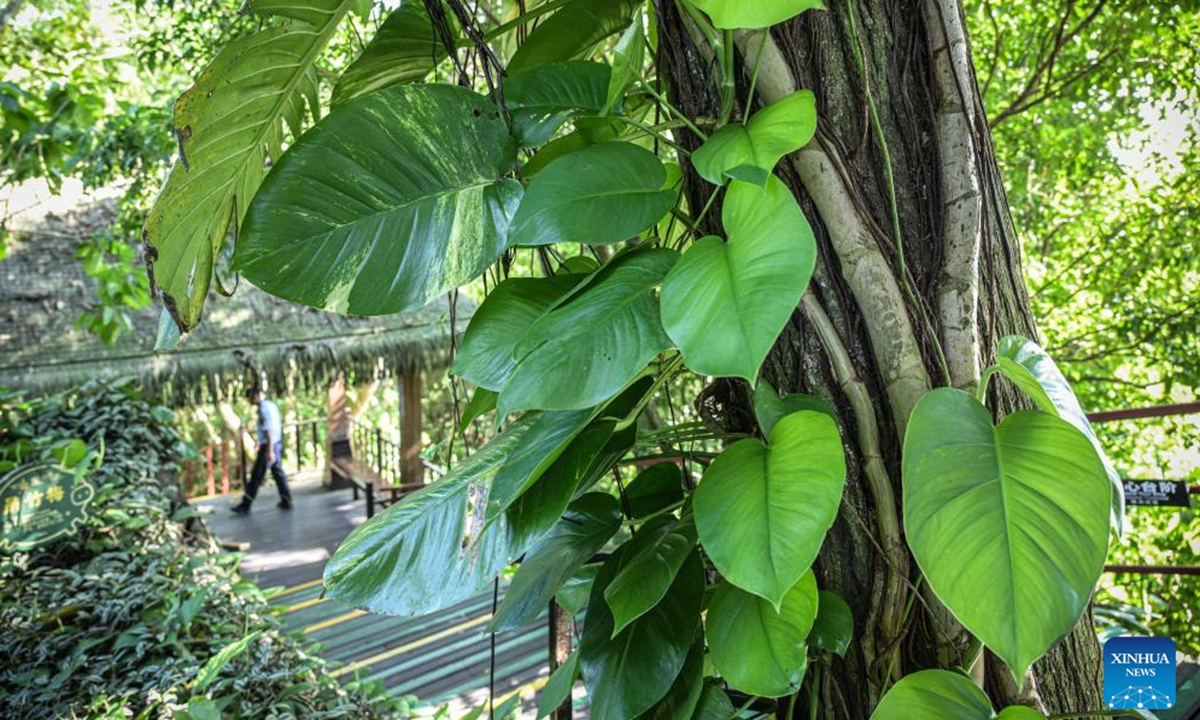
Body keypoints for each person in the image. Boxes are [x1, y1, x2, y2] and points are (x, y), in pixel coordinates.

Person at [232, 387, 292, 514]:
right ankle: (286, 500)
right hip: (275, 443)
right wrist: (261, 442)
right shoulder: (271, 405)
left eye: (249, 398)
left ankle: (245, 504)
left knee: (256, 476)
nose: (249, 401)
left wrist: (269, 451)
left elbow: (269, 430)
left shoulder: (263, 408)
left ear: (254, 397)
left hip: (269, 446)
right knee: (277, 472)